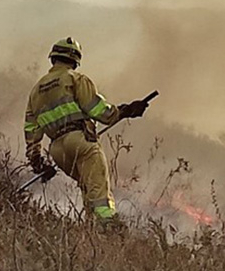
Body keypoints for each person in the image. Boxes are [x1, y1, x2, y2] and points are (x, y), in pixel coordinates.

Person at [24, 37, 148, 221]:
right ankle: (108, 225)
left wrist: (38, 162)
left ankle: (91, 228)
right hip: (79, 140)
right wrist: (125, 111)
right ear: (75, 60)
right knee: (98, 188)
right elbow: (98, 110)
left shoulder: (36, 90)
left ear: (53, 58)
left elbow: (31, 130)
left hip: (57, 150)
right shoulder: (75, 79)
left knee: (87, 186)